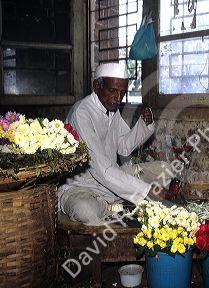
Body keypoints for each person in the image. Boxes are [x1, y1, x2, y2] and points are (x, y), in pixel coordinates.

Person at [58, 63, 170, 225]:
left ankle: (114, 204)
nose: (118, 98)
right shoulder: (81, 113)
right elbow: (100, 168)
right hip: (82, 187)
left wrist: (143, 125)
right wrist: (145, 191)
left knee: (164, 169)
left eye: (122, 92)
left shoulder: (111, 109)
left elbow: (124, 146)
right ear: (97, 86)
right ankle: (112, 206)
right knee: (86, 211)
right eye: (113, 91)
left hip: (109, 180)